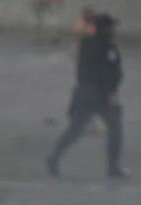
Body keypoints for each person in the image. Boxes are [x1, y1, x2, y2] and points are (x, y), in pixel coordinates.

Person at [46, 13, 129, 178]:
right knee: (115, 130)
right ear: (106, 28)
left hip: (84, 92)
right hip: (102, 95)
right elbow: (109, 73)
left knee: (75, 129)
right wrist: (111, 93)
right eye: (111, 27)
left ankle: (54, 157)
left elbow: (82, 70)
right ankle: (113, 167)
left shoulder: (86, 43)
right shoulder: (107, 46)